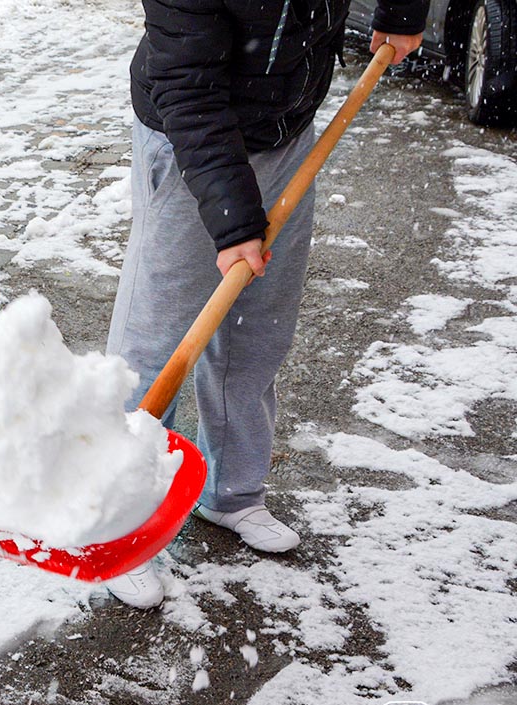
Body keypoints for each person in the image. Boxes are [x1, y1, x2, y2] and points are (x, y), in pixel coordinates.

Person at [104, 0, 427, 608]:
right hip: (191, 136)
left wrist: (403, 10)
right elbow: (187, 84)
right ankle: (120, 522)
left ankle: (232, 492)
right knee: (158, 337)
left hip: (286, 127)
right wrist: (233, 222)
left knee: (257, 329)